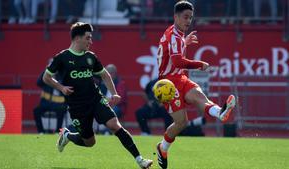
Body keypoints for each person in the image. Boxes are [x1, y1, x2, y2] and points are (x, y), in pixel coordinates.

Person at [42, 22, 152, 168]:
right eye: (88, 38)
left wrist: (114, 93)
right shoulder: (62, 58)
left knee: (114, 125)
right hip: (77, 106)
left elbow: (105, 75)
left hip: (95, 99)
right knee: (90, 142)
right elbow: (46, 77)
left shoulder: (91, 57)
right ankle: (67, 135)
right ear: (77, 38)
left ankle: (140, 160)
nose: (90, 41)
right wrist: (61, 87)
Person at [155, 1, 236, 169]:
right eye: (185, 17)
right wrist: (199, 64)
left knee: (199, 97)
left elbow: (174, 51)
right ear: (175, 17)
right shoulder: (174, 36)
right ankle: (162, 148)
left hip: (180, 79)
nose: (188, 21)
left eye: (190, 18)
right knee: (181, 123)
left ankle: (220, 113)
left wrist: (185, 42)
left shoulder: (176, 34)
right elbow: (177, 61)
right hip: (168, 84)